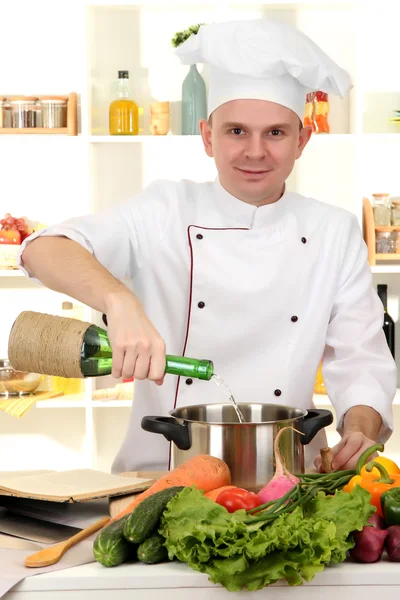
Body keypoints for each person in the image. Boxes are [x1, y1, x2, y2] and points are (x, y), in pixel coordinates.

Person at [19, 19, 396, 474]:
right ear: (206, 136)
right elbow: (43, 249)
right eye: (236, 131)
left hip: (285, 480)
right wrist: (118, 302)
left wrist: (360, 428)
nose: (255, 151)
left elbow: (363, 363)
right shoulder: (165, 209)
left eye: (275, 132)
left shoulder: (334, 232)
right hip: (159, 477)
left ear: (303, 140)